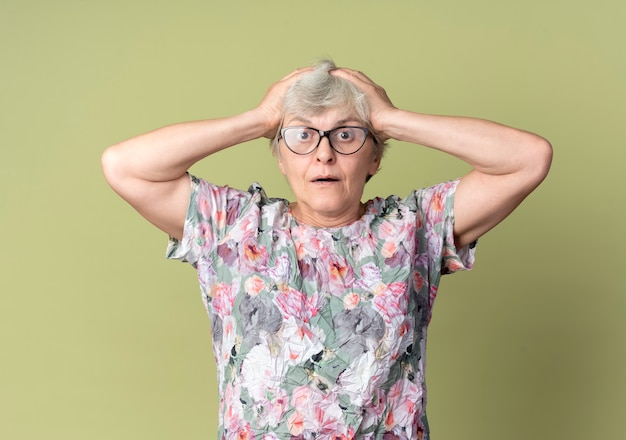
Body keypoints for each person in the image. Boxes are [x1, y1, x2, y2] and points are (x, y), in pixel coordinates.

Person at [101, 59, 552, 439]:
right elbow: (124, 166)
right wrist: (259, 120)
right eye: (302, 136)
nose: (324, 154)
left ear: (374, 157)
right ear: (279, 156)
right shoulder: (234, 227)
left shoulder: (413, 227)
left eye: (347, 135)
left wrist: (391, 118)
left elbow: (528, 158)